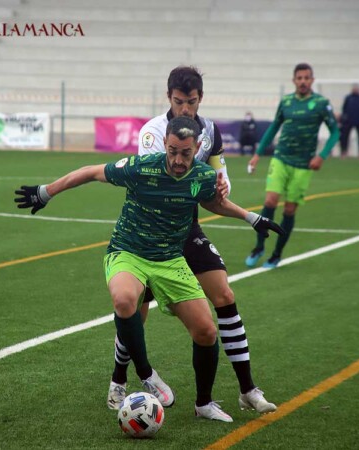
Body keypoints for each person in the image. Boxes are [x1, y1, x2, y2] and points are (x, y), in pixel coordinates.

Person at [14, 116, 283, 422]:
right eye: (172, 151)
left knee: (207, 331)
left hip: (169, 259)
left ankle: (204, 404)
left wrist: (251, 218)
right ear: (164, 143)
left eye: (185, 153)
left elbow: (212, 202)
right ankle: (146, 374)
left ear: (197, 148)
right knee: (124, 300)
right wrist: (46, 192)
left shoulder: (204, 175)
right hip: (128, 252)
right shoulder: (141, 167)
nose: (178, 160)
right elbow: (91, 172)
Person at [110, 66, 279, 416]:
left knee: (225, 296)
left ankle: (247, 390)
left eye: (191, 101)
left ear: (200, 98)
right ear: (168, 98)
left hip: (187, 227)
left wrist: (222, 185)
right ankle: (119, 379)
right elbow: (158, 181)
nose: (184, 108)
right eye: (178, 101)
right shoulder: (154, 132)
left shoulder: (210, 130)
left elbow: (218, 174)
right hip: (152, 235)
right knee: (135, 310)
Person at [245, 63, 339, 268]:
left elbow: (335, 132)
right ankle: (259, 246)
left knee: (289, 209)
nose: (303, 81)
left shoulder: (321, 103)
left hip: (304, 165)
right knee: (270, 200)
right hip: (281, 158)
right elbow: (274, 127)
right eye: (299, 78)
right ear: (294, 80)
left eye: (306, 78)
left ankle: (276, 254)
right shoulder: (286, 102)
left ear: (312, 80)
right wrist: (257, 154)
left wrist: (322, 156)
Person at [339, 84, 359, 158]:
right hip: (348, 121)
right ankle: (344, 152)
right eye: (354, 89)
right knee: (345, 137)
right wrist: (344, 118)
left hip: (358, 121)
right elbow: (344, 109)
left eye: (357, 89)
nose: (355, 90)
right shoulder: (348, 98)